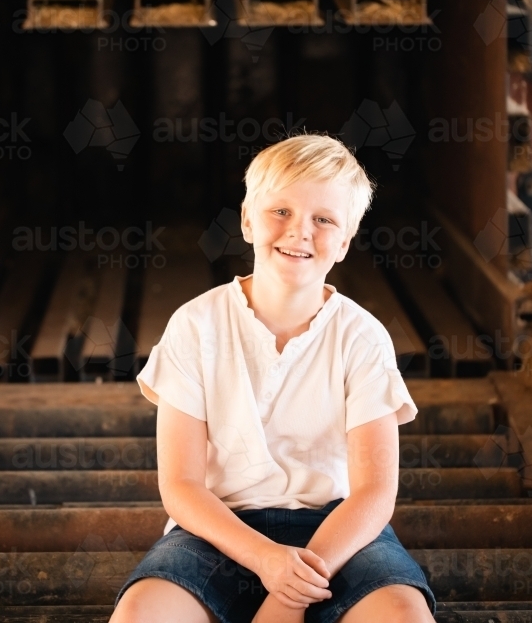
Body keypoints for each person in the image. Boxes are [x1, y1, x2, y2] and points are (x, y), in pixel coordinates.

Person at [110, 134, 437, 623]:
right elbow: (181, 484)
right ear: (246, 219)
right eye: (279, 211)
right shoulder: (196, 325)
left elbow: (374, 494)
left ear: (344, 242)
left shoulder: (362, 337)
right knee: (142, 613)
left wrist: (287, 597)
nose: (299, 232)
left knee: (402, 615)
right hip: (219, 529)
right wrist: (266, 558)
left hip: (338, 531)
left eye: (323, 220)